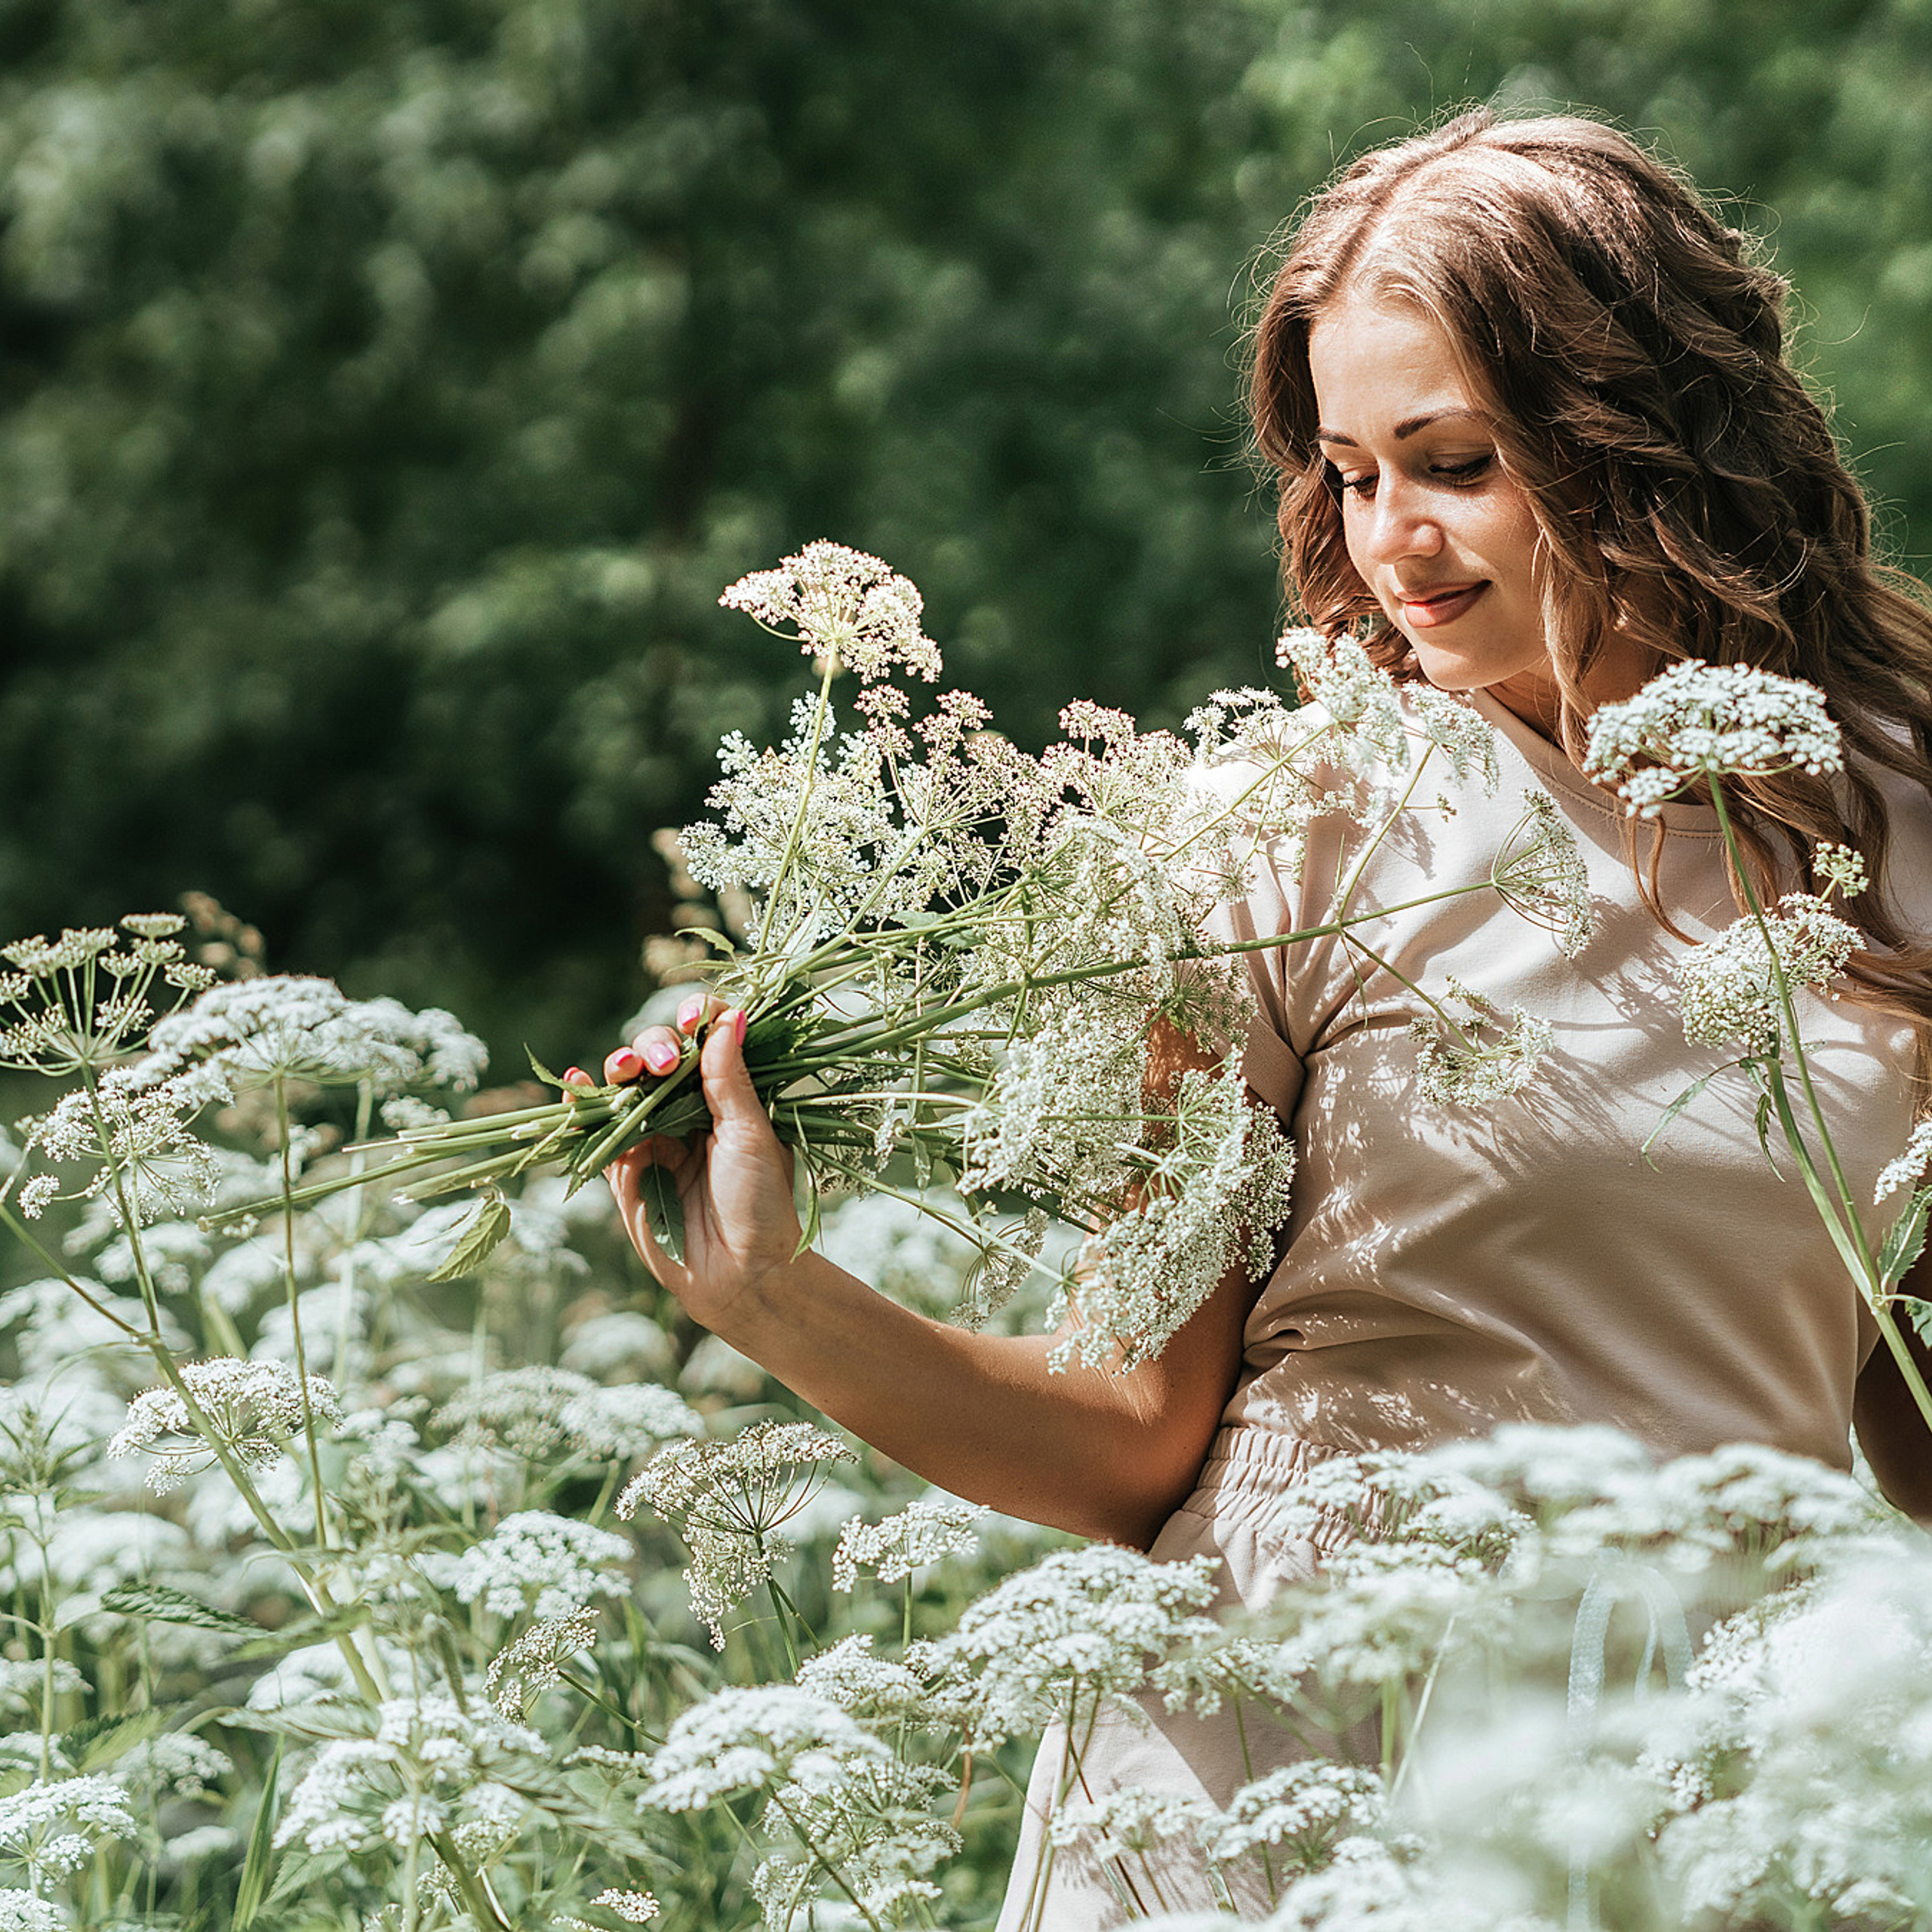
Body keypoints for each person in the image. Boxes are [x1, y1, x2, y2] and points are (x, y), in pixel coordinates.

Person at [601, 108, 1932, 1927]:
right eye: (1348, 471)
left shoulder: (1890, 813)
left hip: (1707, 1798)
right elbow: (1132, 1429)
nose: (1390, 538)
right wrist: (773, 1295)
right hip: (1288, 1774)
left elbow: (1902, 1412)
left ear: (1646, 438)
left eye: (1451, 460)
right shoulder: (1278, 829)